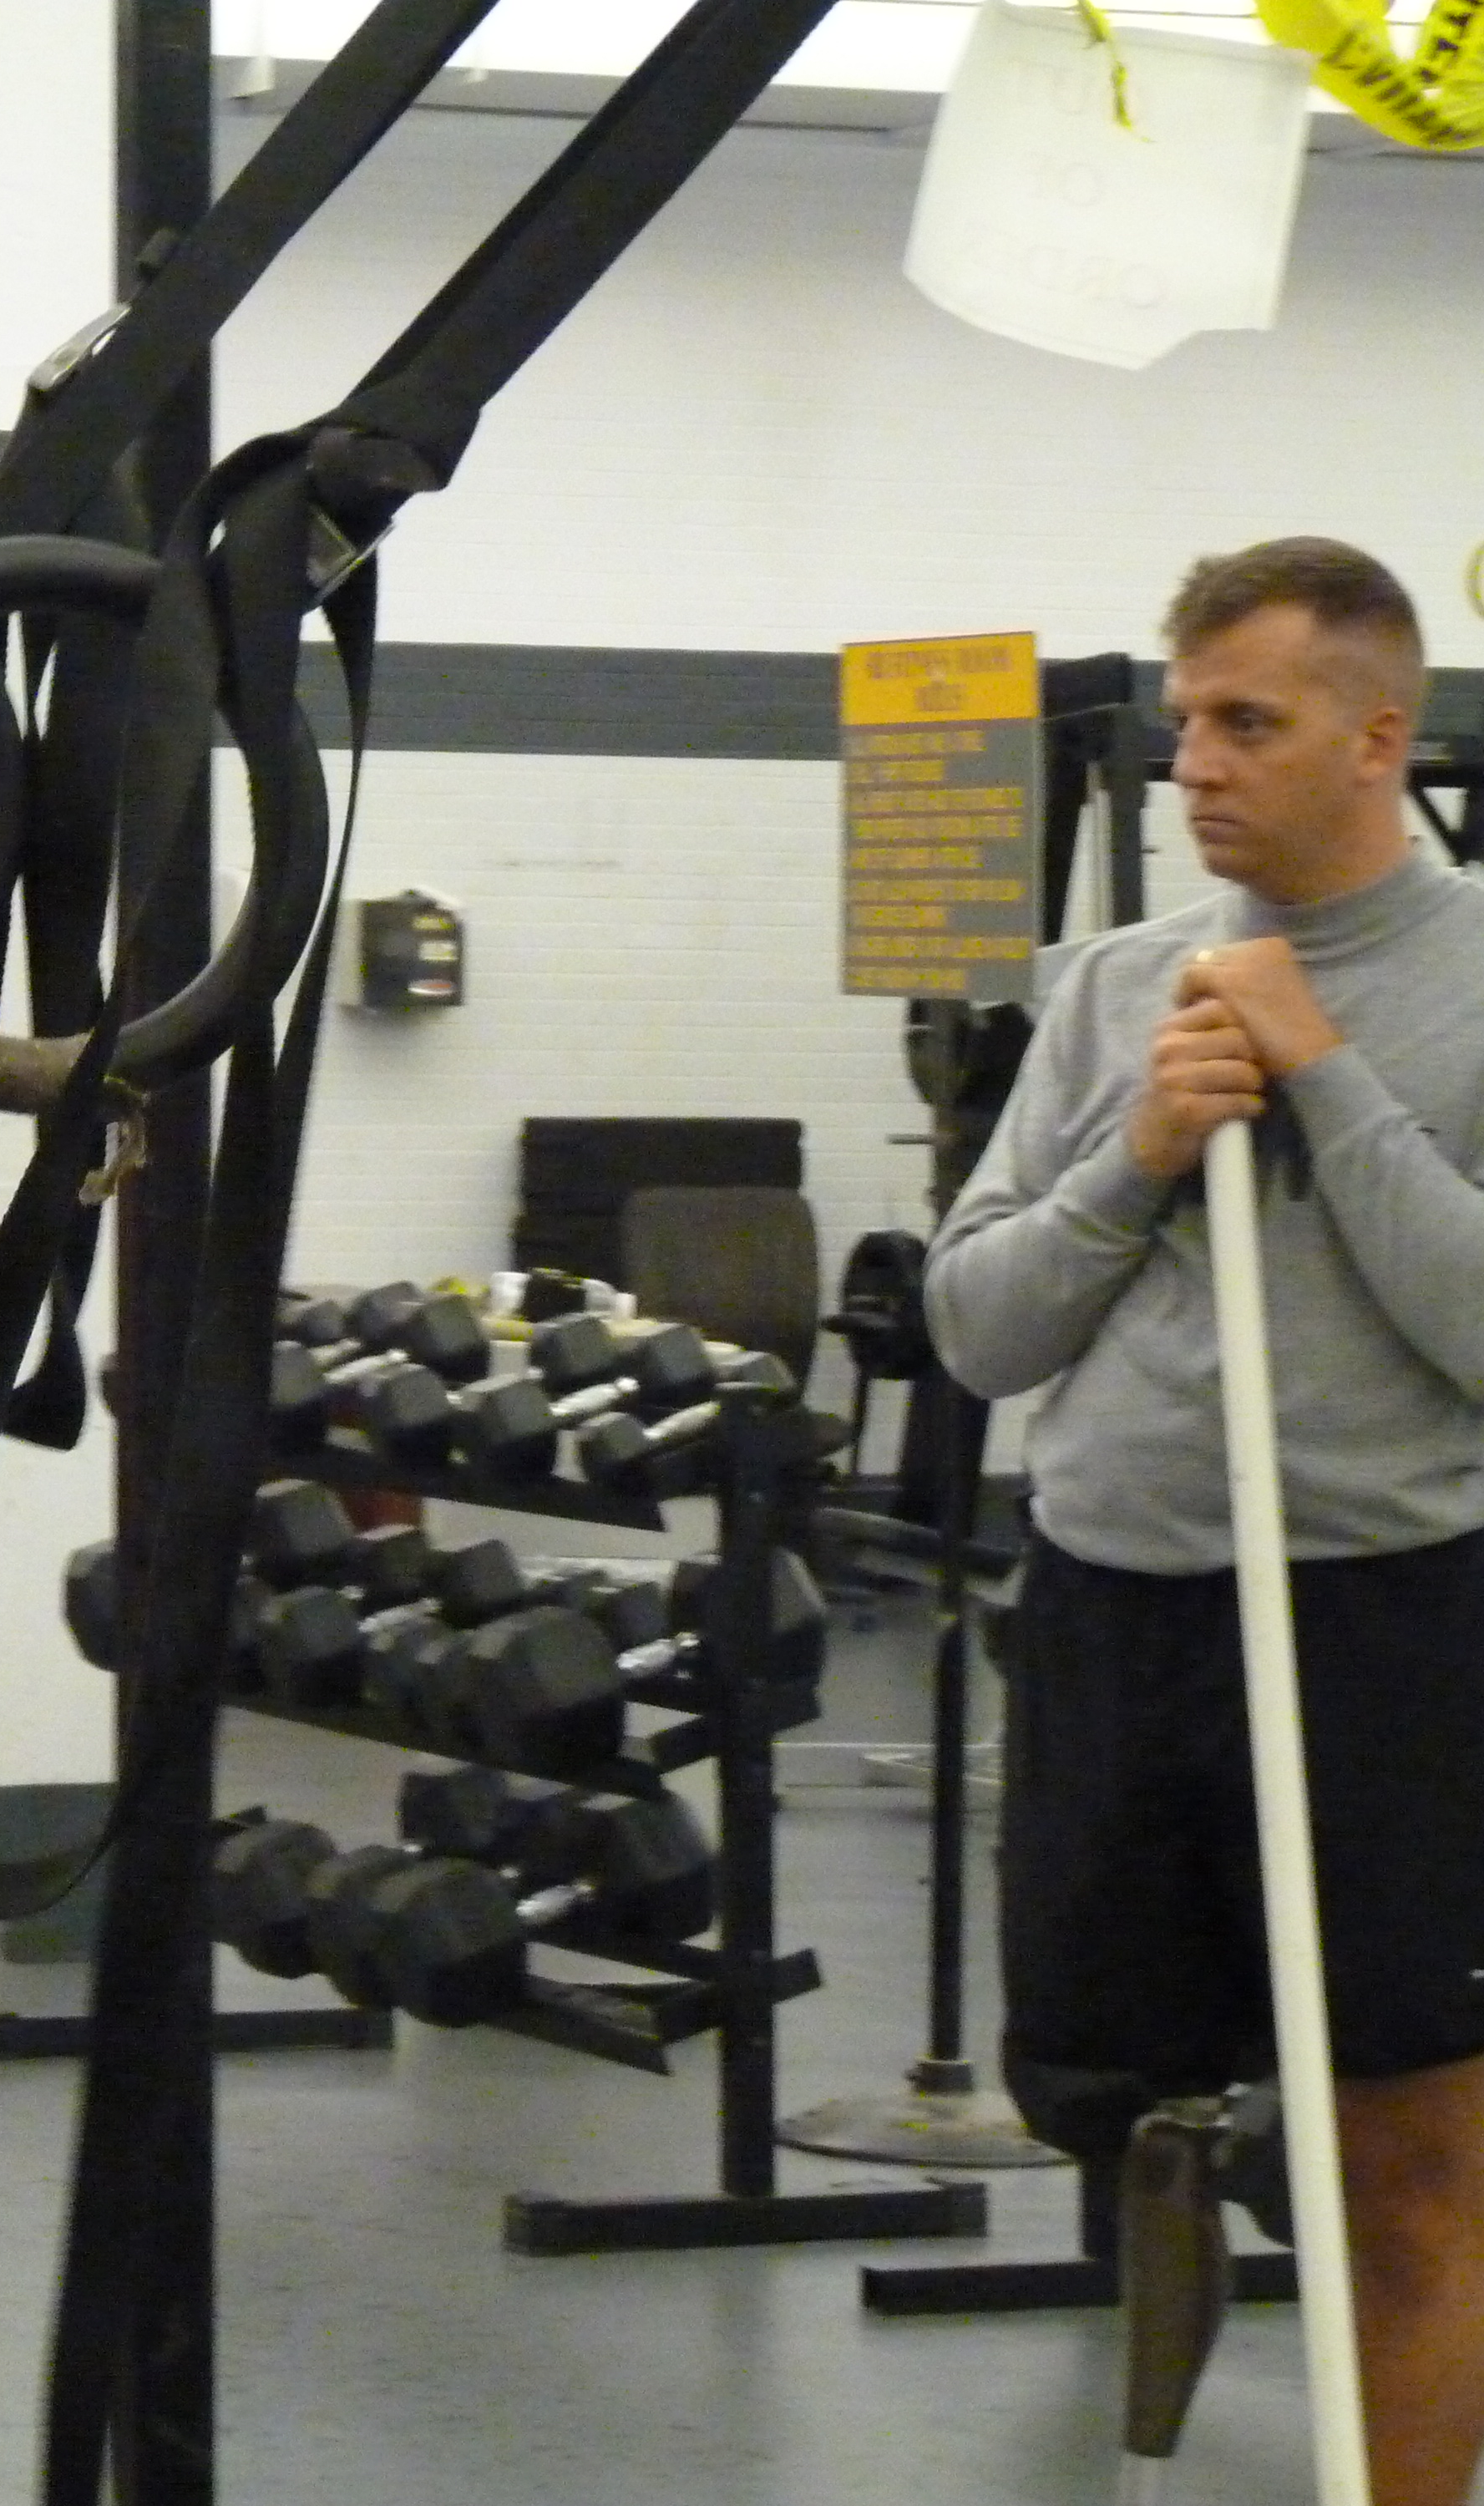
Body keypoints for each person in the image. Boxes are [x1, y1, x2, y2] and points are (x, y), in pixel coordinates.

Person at [927, 536, 1484, 2506]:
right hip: (1110, 1612)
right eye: (1183, 726)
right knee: (1121, 2112)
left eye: (1245, 723)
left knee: (1405, 2162)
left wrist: (1320, 1075)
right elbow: (976, 1329)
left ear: (1376, 738)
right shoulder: (1103, 990)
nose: (1195, 770)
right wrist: (1136, 1149)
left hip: (1375, 1626)